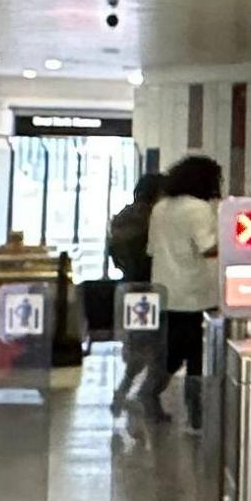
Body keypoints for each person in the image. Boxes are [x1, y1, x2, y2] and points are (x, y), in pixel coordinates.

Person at [142, 153, 222, 423]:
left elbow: (152, 249)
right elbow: (208, 248)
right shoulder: (198, 209)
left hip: (166, 292)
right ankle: (196, 412)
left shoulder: (160, 208)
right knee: (198, 357)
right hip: (195, 293)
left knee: (171, 350)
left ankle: (151, 391)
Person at [105, 166, 166, 409]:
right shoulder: (153, 220)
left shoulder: (121, 217)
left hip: (128, 286)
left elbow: (114, 254)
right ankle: (145, 398)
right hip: (150, 289)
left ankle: (125, 394)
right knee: (158, 348)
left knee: (138, 345)